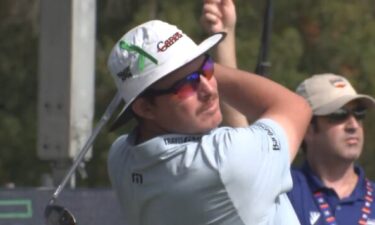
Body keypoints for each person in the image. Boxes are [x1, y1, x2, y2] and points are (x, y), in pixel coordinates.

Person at [106, 18, 311, 225]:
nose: (209, 89)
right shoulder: (223, 161)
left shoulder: (121, 158)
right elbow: (296, 108)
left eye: (208, 70)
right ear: (145, 108)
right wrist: (202, 62)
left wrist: (186, 67)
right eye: (186, 85)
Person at [201, 0, 375, 224]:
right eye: (338, 114)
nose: (353, 124)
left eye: (358, 113)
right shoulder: (284, 188)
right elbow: (240, 134)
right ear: (307, 128)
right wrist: (225, 38)